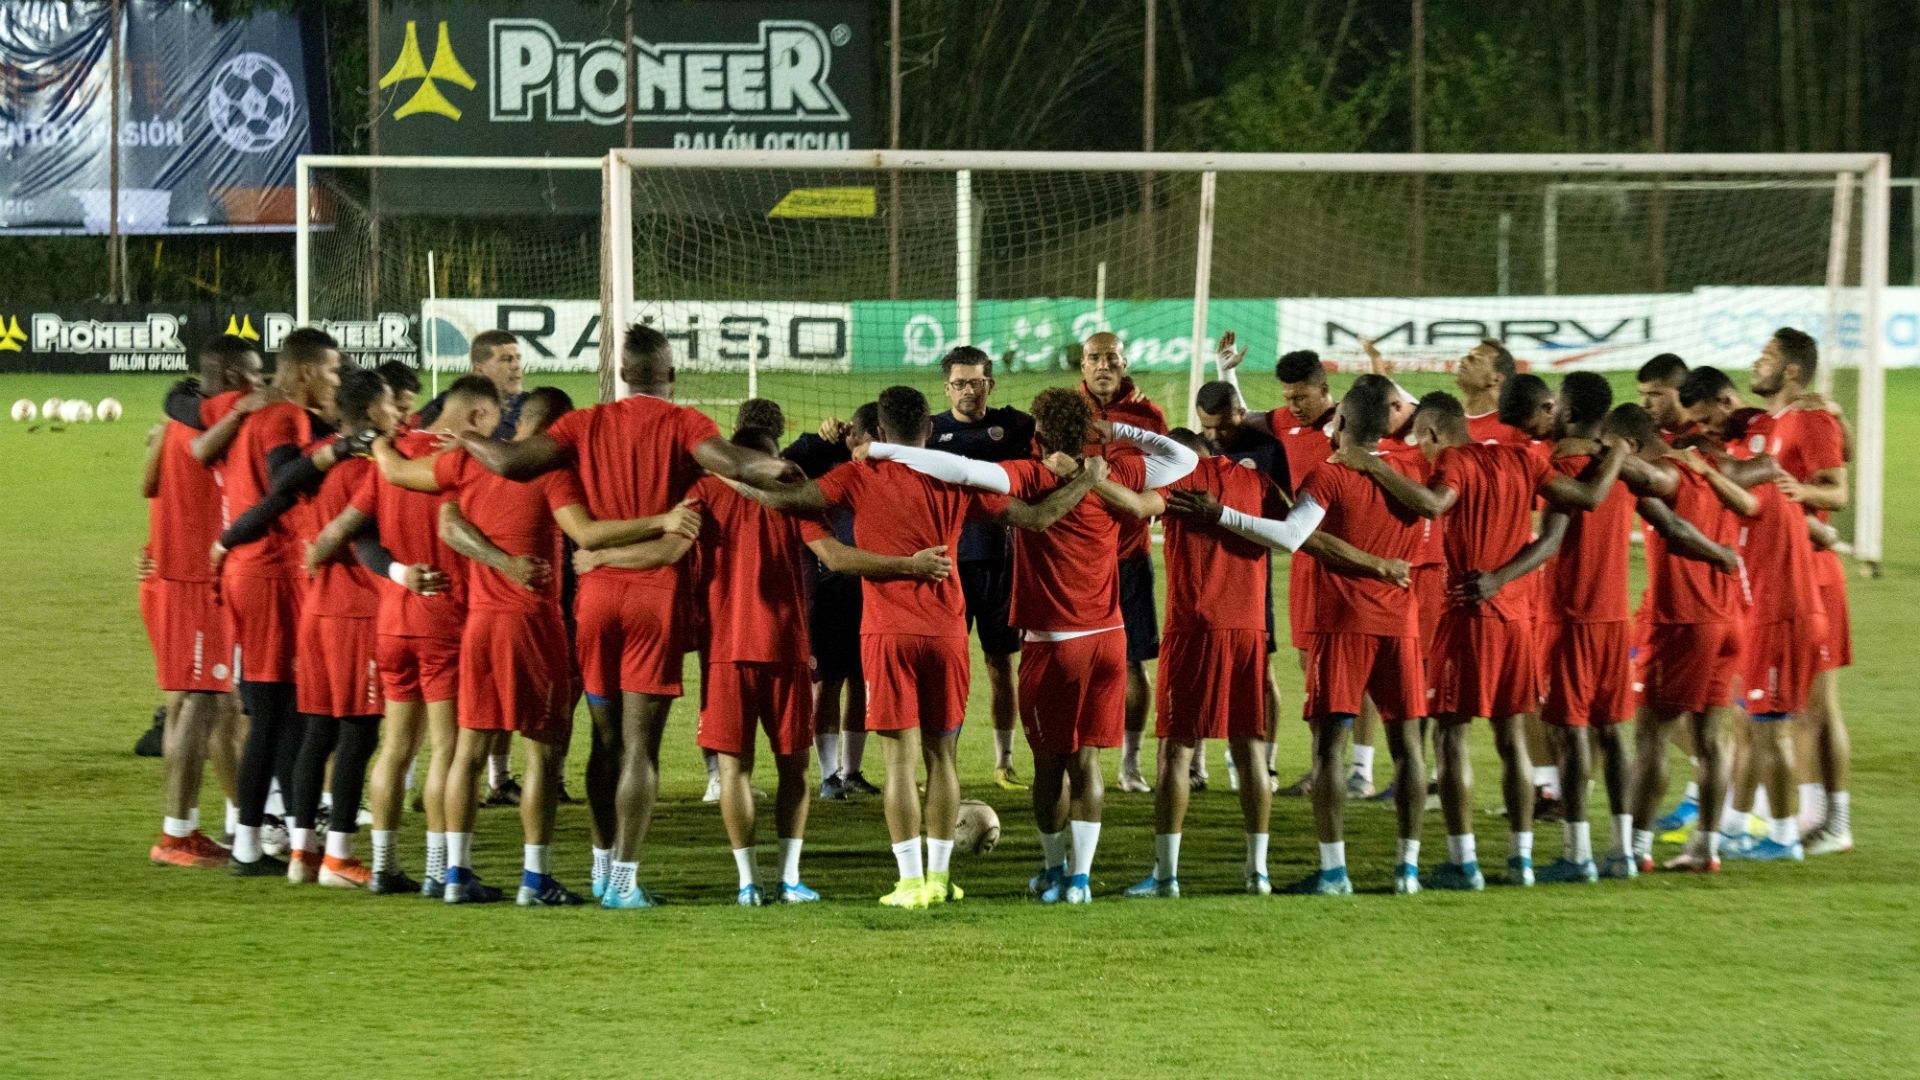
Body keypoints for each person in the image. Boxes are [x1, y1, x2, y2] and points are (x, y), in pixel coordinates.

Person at [450, 323, 799, 910]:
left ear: (620, 375)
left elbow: (509, 463)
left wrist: (462, 435)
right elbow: (730, 463)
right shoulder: (685, 422)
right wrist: (774, 470)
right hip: (654, 598)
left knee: (603, 742)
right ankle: (624, 883)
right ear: (670, 374)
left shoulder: (583, 424)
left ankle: (598, 864)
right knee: (641, 748)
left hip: (595, 599)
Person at [740, 386, 1103, 908]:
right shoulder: (952, 471)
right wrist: (1087, 481)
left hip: (888, 634)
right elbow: (1038, 518)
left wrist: (730, 475)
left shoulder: (859, 475)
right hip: (948, 633)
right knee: (943, 760)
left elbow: (784, 499)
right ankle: (940, 879)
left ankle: (910, 883)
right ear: (928, 429)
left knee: (898, 766)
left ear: (882, 434)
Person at [881, 389, 1199, 904]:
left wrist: (879, 452)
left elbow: (959, 470)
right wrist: (1115, 434)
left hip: (1054, 644)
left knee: (1051, 767)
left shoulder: (1031, 477)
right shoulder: (1118, 475)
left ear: (1039, 435)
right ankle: (1081, 880)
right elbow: (1183, 457)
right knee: (1089, 766)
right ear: (1088, 432)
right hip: (1109, 640)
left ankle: (1054, 870)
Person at [615, 426, 948, 905]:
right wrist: (910, 566)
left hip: (725, 653)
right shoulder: (793, 497)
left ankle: (747, 882)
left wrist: (602, 557)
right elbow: (833, 557)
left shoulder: (704, 493)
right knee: (793, 770)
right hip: (787, 648)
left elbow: (668, 551)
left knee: (735, 772)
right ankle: (790, 879)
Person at [1336, 390, 1625, 890]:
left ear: (1429, 433)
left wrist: (1370, 466)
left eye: (1420, 444)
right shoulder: (1520, 458)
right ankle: (1523, 861)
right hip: (1518, 621)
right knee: (1512, 739)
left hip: (1468, 613)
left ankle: (1463, 861)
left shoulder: (1453, 460)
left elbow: (1432, 503)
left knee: (1450, 736)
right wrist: (1619, 453)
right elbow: (1588, 498)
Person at [305, 375, 496, 895]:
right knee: (449, 750)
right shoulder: (468, 461)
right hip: (446, 622)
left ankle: (384, 867)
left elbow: (340, 532)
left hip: (392, 622)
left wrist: (320, 557)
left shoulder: (393, 457)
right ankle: (440, 870)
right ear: (478, 416)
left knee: (395, 749)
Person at [205, 327, 342, 875]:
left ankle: (290, 827)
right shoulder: (285, 417)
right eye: (331, 371)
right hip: (269, 574)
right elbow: (283, 484)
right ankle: (246, 844)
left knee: (282, 714)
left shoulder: (252, 413)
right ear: (306, 371)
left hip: (256, 573)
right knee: (270, 717)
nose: (335, 381)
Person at [1679, 367, 1826, 863]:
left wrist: (1703, 470)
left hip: (1780, 614)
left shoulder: (1757, 458)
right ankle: (1739, 825)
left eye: (1709, 422)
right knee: (1749, 725)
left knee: (1770, 730)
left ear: (1726, 406)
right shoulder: (1741, 452)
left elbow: (1746, 498)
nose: (1708, 433)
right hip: (1759, 609)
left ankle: (1784, 837)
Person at [1604, 404, 1745, 874]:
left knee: (1651, 738)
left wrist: (1603, 451)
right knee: (1711, 739)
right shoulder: (1705, 465)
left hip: (1685, 621)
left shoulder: (1667, 473)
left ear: (1632, 445)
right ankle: (1707, 848)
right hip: (1727, 617)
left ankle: (1634, 848)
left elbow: (1652, 484)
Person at [144, 335, 265, 867]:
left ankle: (217, 825)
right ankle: (176, 835)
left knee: (206, 703)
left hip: (180, 574)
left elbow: (149, 485)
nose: (261, 384)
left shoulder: (179, 419)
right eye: (256, 374)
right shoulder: (222, 415)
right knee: (200, 703)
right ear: (237, 378)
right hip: (196, 579)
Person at [280, 368, 402, 887]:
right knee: (357, 735)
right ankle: (340, 857)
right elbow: (362, 542)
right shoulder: (366, 467)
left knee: (318, 733)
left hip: (317, 609)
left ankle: (302, 854)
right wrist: (401, 575)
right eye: (392, 405)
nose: (398, 413)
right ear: (373, 412)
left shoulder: (323, 456)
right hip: (356, 613)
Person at [1532, 374, 1641, 882]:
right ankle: (1621, 850)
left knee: (1571, 732)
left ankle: (1577, 853)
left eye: (1557, 406)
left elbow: (1550, 542)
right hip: (1614, 617)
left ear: (1570, 412)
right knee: (1614, 731)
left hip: (1568, 616)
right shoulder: (1620, 471)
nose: (1550, 413)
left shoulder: (1561, 469)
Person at [1748, 328, 1853, 855]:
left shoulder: (1810, 417)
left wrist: (1798, 491)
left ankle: (1835, 821)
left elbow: (1838, 486)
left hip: (1814, 574)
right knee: (1784, 707)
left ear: (1791, 370)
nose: (1755, 363)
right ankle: (1809, 814)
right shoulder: (1768, 423)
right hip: (1777, 578)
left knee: (1817, 707)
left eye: (1766, 357)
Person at [931, 346, 1037, 791]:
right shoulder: (929, 431)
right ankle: (943, 765)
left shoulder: (1014, 426)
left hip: (1001, 563)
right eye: (959, 383)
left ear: (989, 384)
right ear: (946, 387)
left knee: (1000, 664)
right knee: (946, 668)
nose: (968, 391)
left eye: (976, 382)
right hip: (946, 567)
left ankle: (1004, 761)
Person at [1077, 331, 1169, 793]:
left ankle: (1130, 763)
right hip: (1075, 565)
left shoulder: (1148, 416)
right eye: (1094, 357)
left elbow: (1172, 470)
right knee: (1076, 662)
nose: (1103, 365)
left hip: (1130, 559)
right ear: (1082, 365)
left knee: (1132, 665)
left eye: (1111, 357)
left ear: (1125, 361)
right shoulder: (1064, 412)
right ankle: (1079, 757)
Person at [1193, 378, 1290, 794]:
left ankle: (1262, 765)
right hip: (1199, 578)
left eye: (1222, 427)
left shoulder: (1267, 450)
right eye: (1207, 428)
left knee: (1260, 673)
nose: (1214, 437)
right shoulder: (1194, 450)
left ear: (1239, 413)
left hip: (1251, 575)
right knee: (1195, 672)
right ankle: (1195, 764)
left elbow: (1291, 508)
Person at [783, 406, 882, 800]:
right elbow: (784, 466)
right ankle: (828, 775)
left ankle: (852, 771)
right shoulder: (823, 457)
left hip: (869, 585)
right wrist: (818, 438)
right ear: (852, 437)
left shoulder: (887, 464)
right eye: (870, 441)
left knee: (860, 682)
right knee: (827, 683)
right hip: (828, 587)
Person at [412, 329, 526, 440]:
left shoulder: (534, 407)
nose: (516, 366)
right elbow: (414, 430)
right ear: (479, 369)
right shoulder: (451, 401)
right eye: (506, 359)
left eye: (518, 358)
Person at [1456, 339, 1530, 445]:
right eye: (1467, 356)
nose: (1463, 360)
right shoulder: (1447, 423)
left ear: (1496, 379)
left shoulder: (1517, 429)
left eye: (1475, 359)